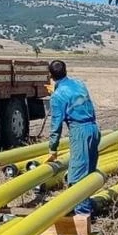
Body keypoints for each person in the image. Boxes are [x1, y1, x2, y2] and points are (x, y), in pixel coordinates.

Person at [47, 60, 101, 216]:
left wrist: (53, 148)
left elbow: (56, 125)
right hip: (93, 127)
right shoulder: (79, 84)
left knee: (77, 176)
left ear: (50, 75)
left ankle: (82, 216)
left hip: (80, 131)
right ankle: (87, 206)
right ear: (65, 71)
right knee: (89, 172)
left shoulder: (57, 96)